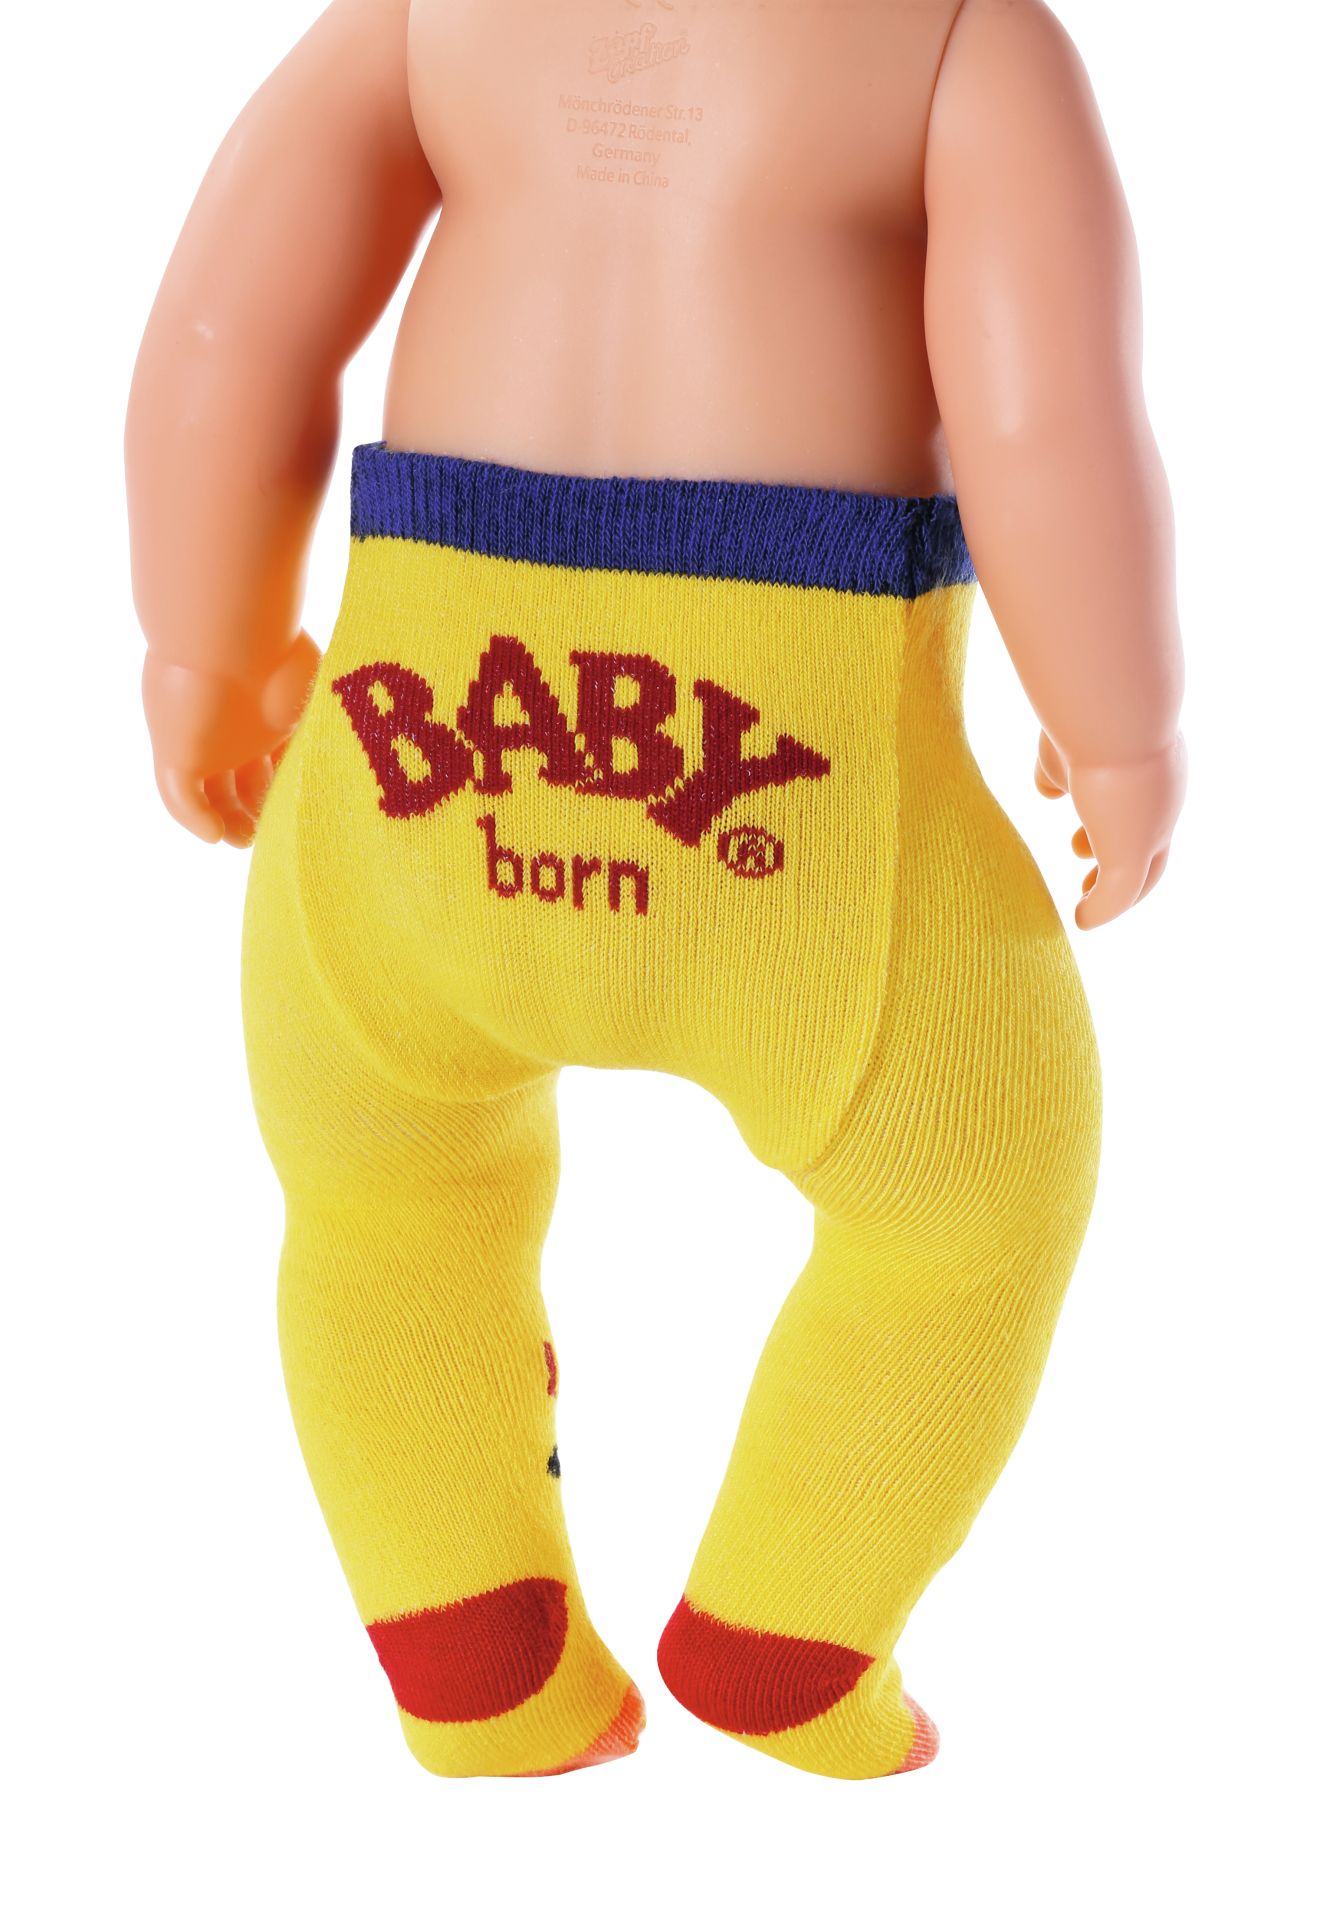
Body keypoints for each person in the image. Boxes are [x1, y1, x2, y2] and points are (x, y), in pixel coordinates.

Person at [126, 0, 1185, 1779]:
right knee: (976, 1193)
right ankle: (790, 1623)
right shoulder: (958, 38)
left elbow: (226, 328)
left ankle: (469, 1646)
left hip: (413, 761)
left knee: (383, 1202)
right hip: (794, 801)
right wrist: (1120, 731)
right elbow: (1046, 420)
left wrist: (199, 652)